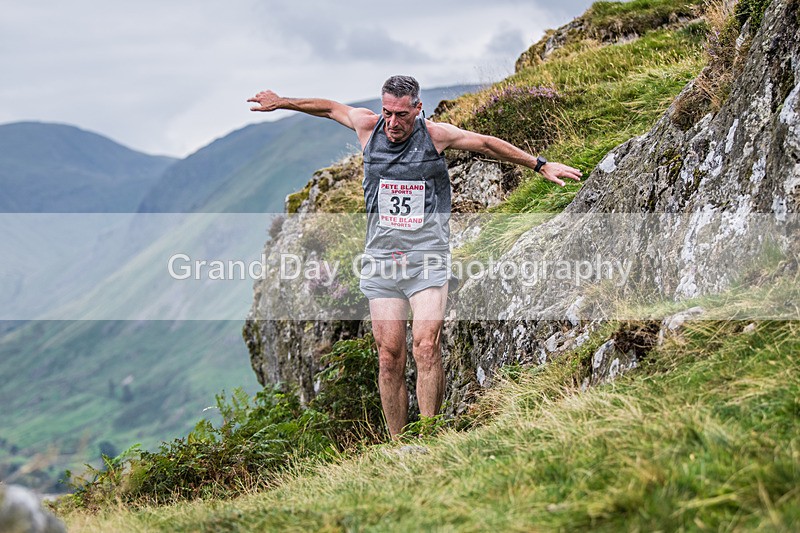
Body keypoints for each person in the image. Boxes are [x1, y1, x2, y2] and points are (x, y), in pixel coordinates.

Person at [249, 75, 582, 438]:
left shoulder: (435, 135)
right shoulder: (367, 128)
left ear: (418, 109)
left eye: (402, 115)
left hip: (427, 257)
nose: (392, 122)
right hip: (382, 260)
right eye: (387, 112)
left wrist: (539, 165)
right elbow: (329, 108)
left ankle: (429, 435)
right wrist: (282, 101)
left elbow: (486, 143)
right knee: (389, 356)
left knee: (425, 345)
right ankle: (398, 443)